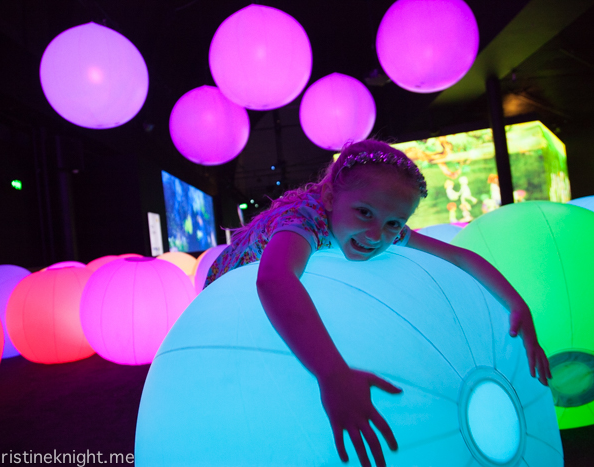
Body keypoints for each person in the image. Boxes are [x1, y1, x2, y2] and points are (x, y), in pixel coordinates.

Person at [205, 140, 551, 467]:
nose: (376, 235)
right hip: (222, 308)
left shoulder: (383, 228)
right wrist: (333, 375)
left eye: (393, 223)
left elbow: (458, 258)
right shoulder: (304, 218)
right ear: (328, 196)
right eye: (364, 212)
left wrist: (517, 304)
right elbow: (274, 279)